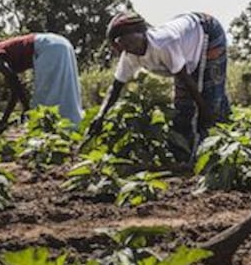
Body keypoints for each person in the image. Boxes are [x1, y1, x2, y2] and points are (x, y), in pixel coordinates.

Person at [88, 10, 231, 156]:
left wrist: (204, 110)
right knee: (183, 109)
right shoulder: (129, 56)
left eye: (131, 41)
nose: (130, 47)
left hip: (206, 30)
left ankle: (219, 148)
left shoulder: (163, 44)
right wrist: (100, 116)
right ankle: (183, 154)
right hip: (185, 45)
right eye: (123, 45)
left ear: (142, 33)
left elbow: (185, 78)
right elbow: (116, 87)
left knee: (210, 100)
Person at [0, 33, 84, 135]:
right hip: (60, 43)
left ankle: (52, 133)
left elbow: (14, 81)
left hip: (48, 48)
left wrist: (26, 109)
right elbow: (15, 88)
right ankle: (72, 127)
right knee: (65, 89)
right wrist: (4, 120)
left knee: (45, 97)